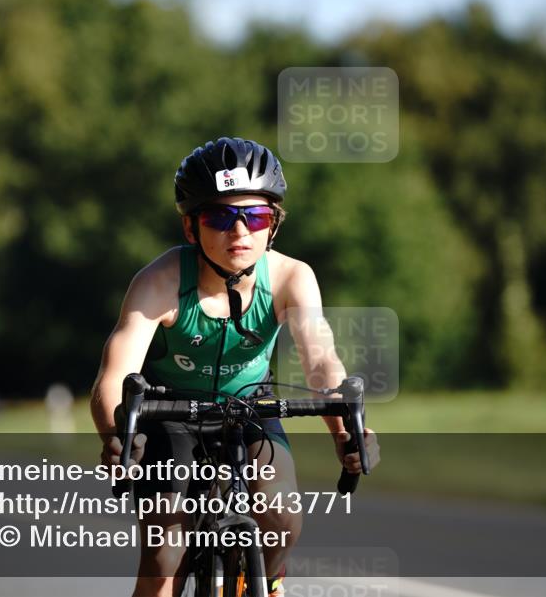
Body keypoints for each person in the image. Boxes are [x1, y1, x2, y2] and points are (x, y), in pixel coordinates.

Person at [90, 137, 380, 597]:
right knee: (165, 554)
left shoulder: (291, 277)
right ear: (190, 228)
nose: (240, 231)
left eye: (256, 216)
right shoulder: (158, 283)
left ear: (274, 226)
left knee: (282, 517)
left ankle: (266, 582)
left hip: (249, 408)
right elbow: (114, 376)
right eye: (220, 217)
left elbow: (320, 359)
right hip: (170, 415)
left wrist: (344, 429)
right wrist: (116, 436)